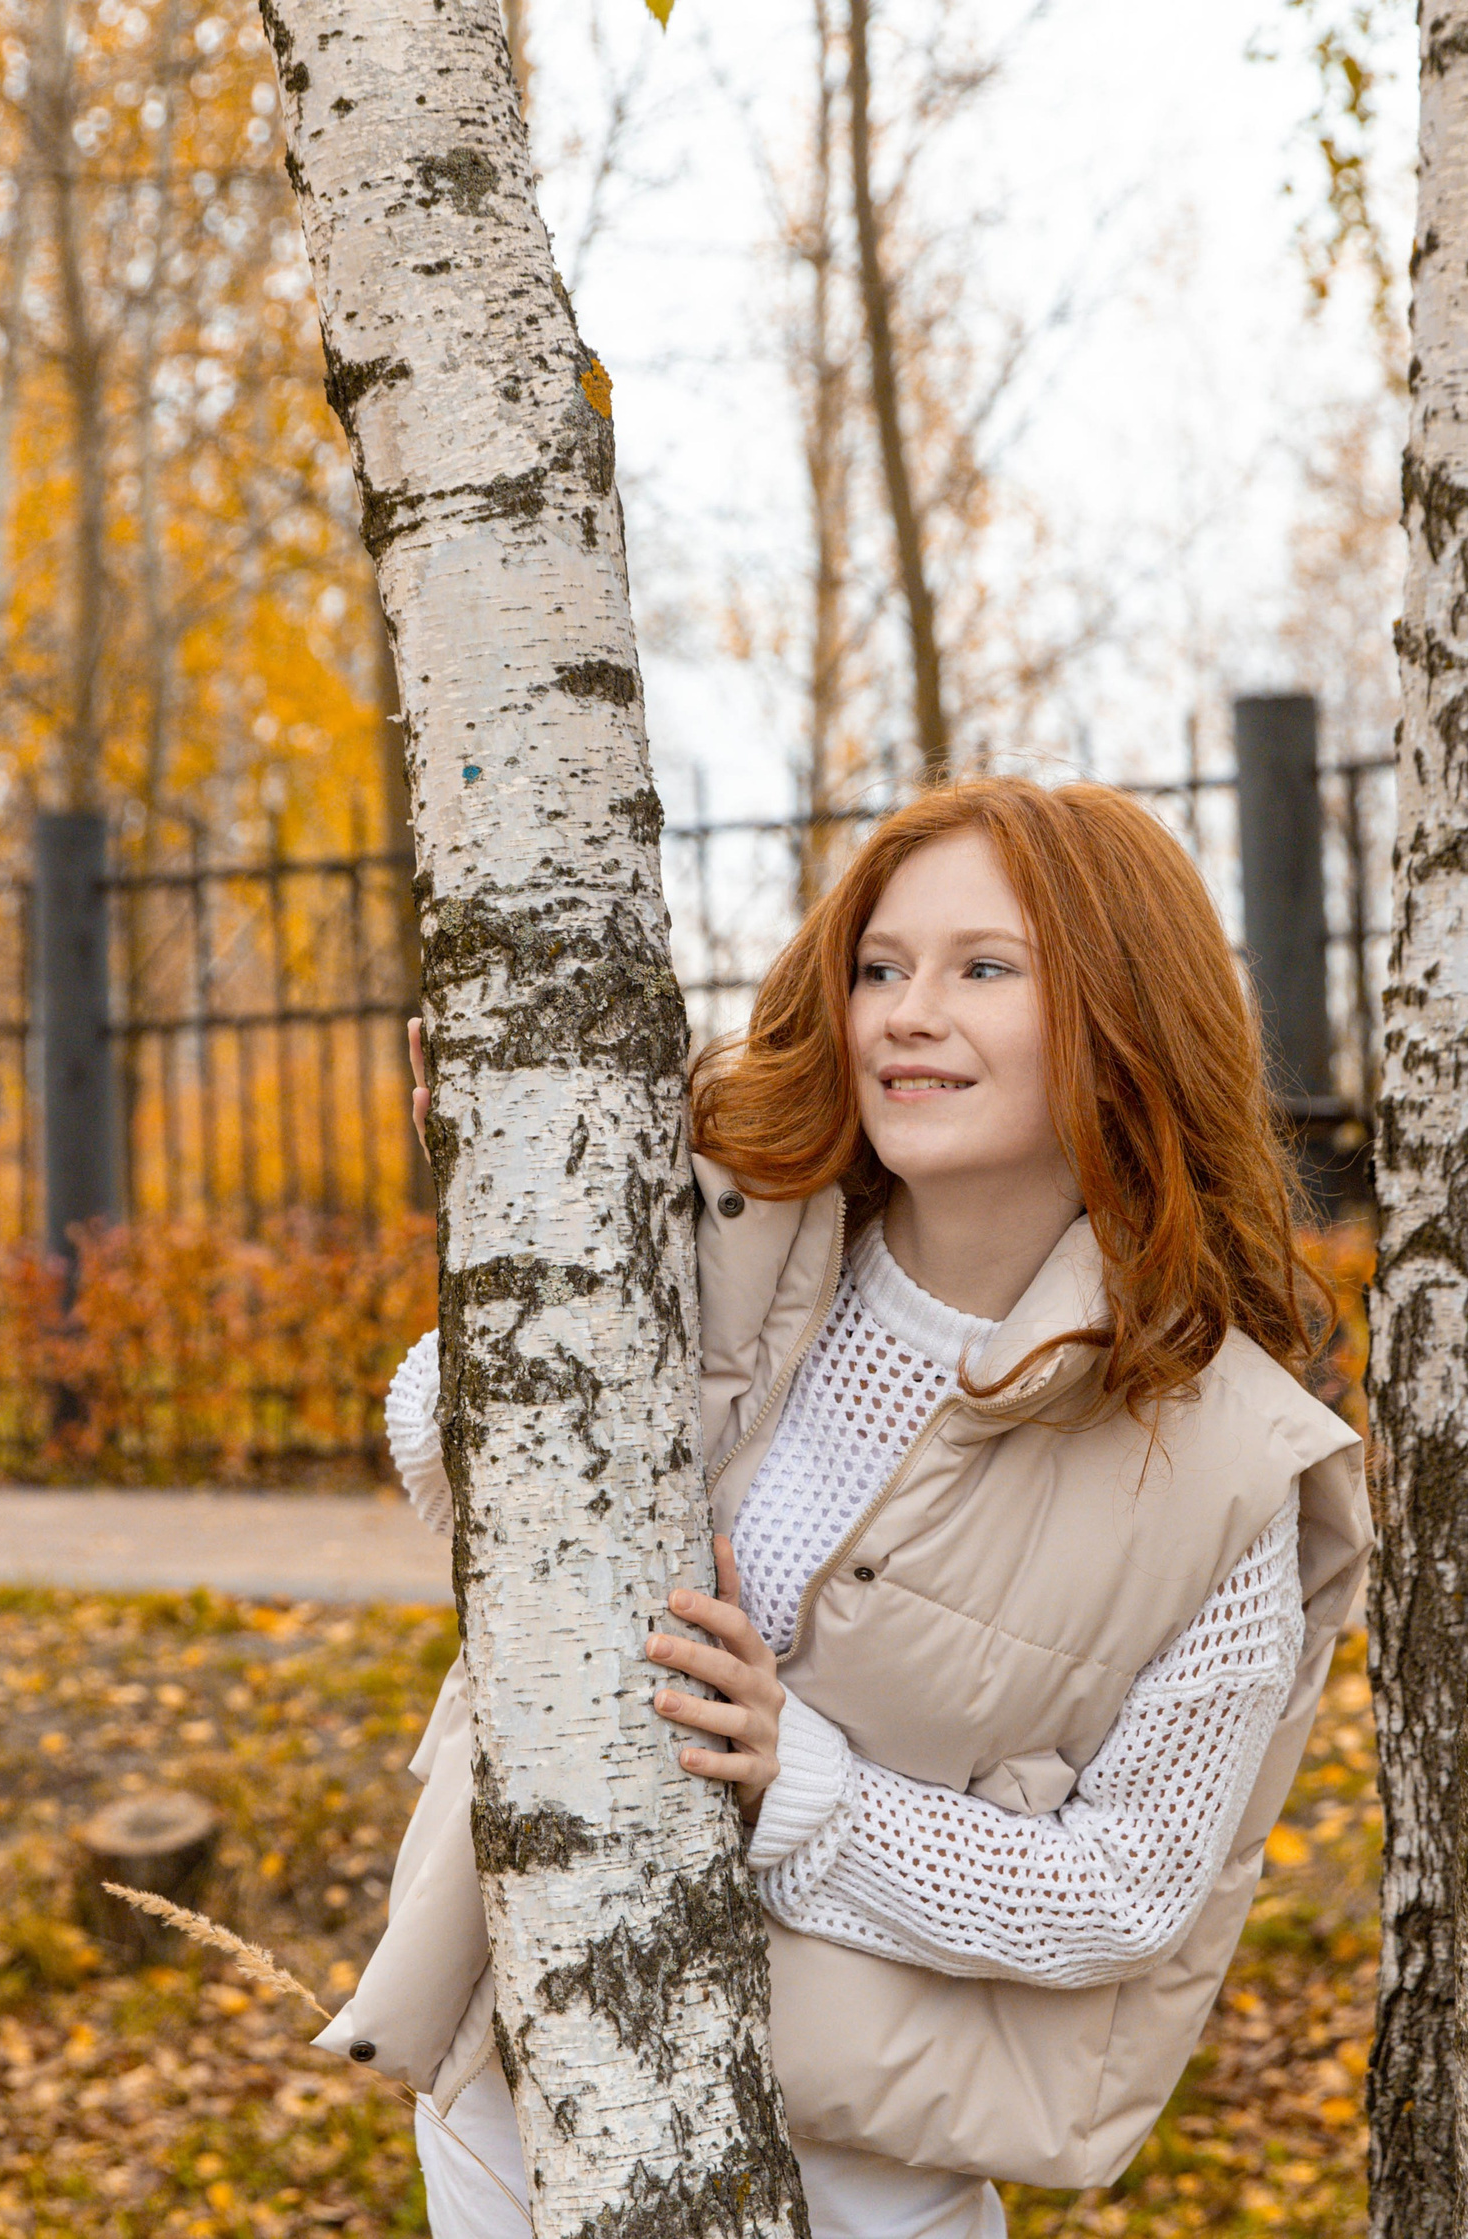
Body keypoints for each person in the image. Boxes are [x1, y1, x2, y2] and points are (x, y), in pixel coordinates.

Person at [315, 778, 1371, 2238]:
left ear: (1128, 1024)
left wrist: (795, 1784)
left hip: (870, 2167)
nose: (904, 1014)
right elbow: (475, 1480)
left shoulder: (1226, 1464)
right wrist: (521, 1214)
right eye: (882, 966)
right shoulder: (736, 1216)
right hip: (536, 2068)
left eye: (983, 969)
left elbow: (1131, 1893)